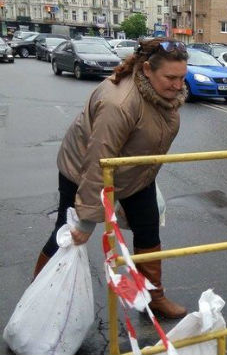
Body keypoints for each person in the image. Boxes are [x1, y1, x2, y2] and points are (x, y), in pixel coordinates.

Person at [32, 38, 190, 319]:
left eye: (182, 77)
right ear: (146, 70)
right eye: (171, 78)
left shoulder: (161, 94)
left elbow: (145, 141)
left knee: (148, 229)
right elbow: (98, 160)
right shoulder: (120, 103)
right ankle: (38, 297)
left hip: (132, 172)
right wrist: (86, 219)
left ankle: (153, 297)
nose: (178, 85)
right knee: (68, 235)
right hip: (82, 172)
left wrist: (147, 174)